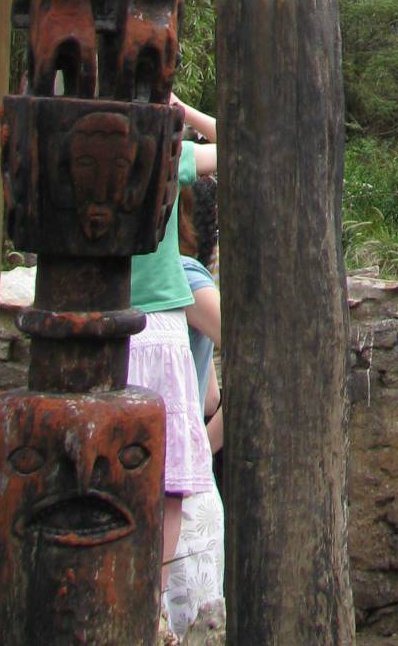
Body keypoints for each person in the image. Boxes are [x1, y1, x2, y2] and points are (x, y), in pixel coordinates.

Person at [129, 91, 218, 597]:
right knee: (167, 486)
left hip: (107, 324)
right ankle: (155, 603)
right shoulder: (166, 153)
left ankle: (149, 601)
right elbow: (241, 142)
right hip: (155, 325)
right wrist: (183, 112)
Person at [165, 178, 226, 636]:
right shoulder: (182, 277)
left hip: (177, 480)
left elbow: (254, 360)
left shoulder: (181, 277)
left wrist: (199, 448)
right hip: (180, 482)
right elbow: (209, 396)